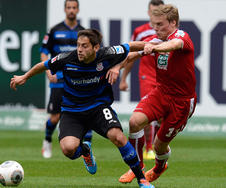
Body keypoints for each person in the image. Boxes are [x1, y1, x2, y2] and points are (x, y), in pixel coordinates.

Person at [10, 29, 155, 188]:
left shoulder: (107, 54)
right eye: (78, 45)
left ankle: (141, 179)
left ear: (95, 47)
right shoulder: (66, 59)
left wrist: (150, 46)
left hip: (98, 107)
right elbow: (42, 65)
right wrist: (24, 77)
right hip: (72, 111)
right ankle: (85, 150)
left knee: (118, 137)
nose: (80, 49)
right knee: (68, 150)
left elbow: (131, 47)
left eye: (85, 46)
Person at [108, 4, 197, 184]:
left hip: (182, 102)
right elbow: (132, 54)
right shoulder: (157, 39)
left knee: (159, 145)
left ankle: (159, 167)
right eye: (153, 25)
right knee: (134, 122)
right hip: (161, 93)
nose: (155, 29)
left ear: (173, 22)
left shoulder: (181, 36)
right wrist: (117, 66)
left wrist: (154, 48)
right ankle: (138, 166)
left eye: (159, 24)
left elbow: (174, 45)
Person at [118, 0, 164, 183]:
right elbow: (131, 56)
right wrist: (122, 78)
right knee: (144, 116)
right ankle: (148, 148)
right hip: (146, 77)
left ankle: (157, 152)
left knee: (160, 118)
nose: (155, 17)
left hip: (163, 80)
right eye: (153, 13)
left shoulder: (170, 34)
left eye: (159, 13)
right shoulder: (141, 31)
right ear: (148, 13)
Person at [40, 0, 92, 158]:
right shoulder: (55, 30)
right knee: (55, 117)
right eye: (68, 7)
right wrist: (49, 71)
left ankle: (87, 151)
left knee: (87, 114)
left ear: (78, 10)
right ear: (65, 9)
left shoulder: (83, 32)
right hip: (59, 79)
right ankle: (47, 141)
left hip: (78, 81)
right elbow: (44, 51)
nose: (71, 10)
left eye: (74, 7)